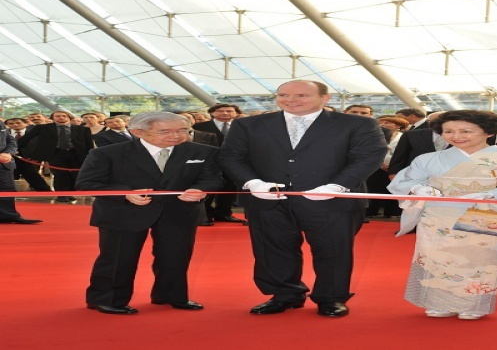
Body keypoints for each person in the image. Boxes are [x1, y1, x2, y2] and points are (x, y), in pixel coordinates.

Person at [219, 80, 387, 318]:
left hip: (332, 200)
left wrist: (337, 186)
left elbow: (368, 157)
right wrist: (253, 183)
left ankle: (331, 298)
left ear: (325, 98)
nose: (291, 100)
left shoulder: (358, 124)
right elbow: (231, 157)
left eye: (301, 95)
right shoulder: (249, 124)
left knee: (333, 251)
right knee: (272, 249)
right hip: (267, 199)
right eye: (283, 95)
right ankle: (284, 294)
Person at [388, 110, 497, 320]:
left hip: (486, 214)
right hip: (438, 218)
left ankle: (474, 304)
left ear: (488, 132)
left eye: (465, 131)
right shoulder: (429, 159)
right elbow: (404, 180)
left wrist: (492, 194)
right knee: (435, 258)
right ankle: (437, 301)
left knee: (481, 259)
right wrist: (418, 189)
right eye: (448, 131)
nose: (456, 136)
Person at [75, 111, 224, 315]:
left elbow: (213, 179)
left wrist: (201, 190)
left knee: (176, 257)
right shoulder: (106, 153)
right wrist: (125, 194)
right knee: (118, 258)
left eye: (182, 130)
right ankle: (106, 299)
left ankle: (171, 295)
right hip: (123, 211)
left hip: (179, 211)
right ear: (138, 132)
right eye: (165, 131)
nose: (176, 135)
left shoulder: (203, 151)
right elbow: (87, 184)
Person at [18, 111, 94, 202]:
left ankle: (70, 193)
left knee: (74, 174)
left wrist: (91, 156)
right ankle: (62, 194)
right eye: (57, 116)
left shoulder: (82, 129)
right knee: (60, 174)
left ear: (69, 117)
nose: (61, 118)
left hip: (76, 153)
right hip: (56, 153)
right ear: (52, 118)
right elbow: (26, 138)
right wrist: (16, 149)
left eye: (63, 116)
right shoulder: (43, 128)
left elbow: (89, 144)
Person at [193, 103, 245, 223]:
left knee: (230, 188)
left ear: (236, 113)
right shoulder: (200, 126)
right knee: (207, 188)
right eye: (221, 111)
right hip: (208, 162)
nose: (225, 113)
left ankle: (224, 213)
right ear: (212, 113)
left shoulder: (242, 126)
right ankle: (206, 215)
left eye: (229, 111)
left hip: (233, 162)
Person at [0, 120, 42, 224]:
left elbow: (11, 141)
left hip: (4, 163)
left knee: (7, 190)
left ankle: (8, 216)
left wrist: (8, 152)